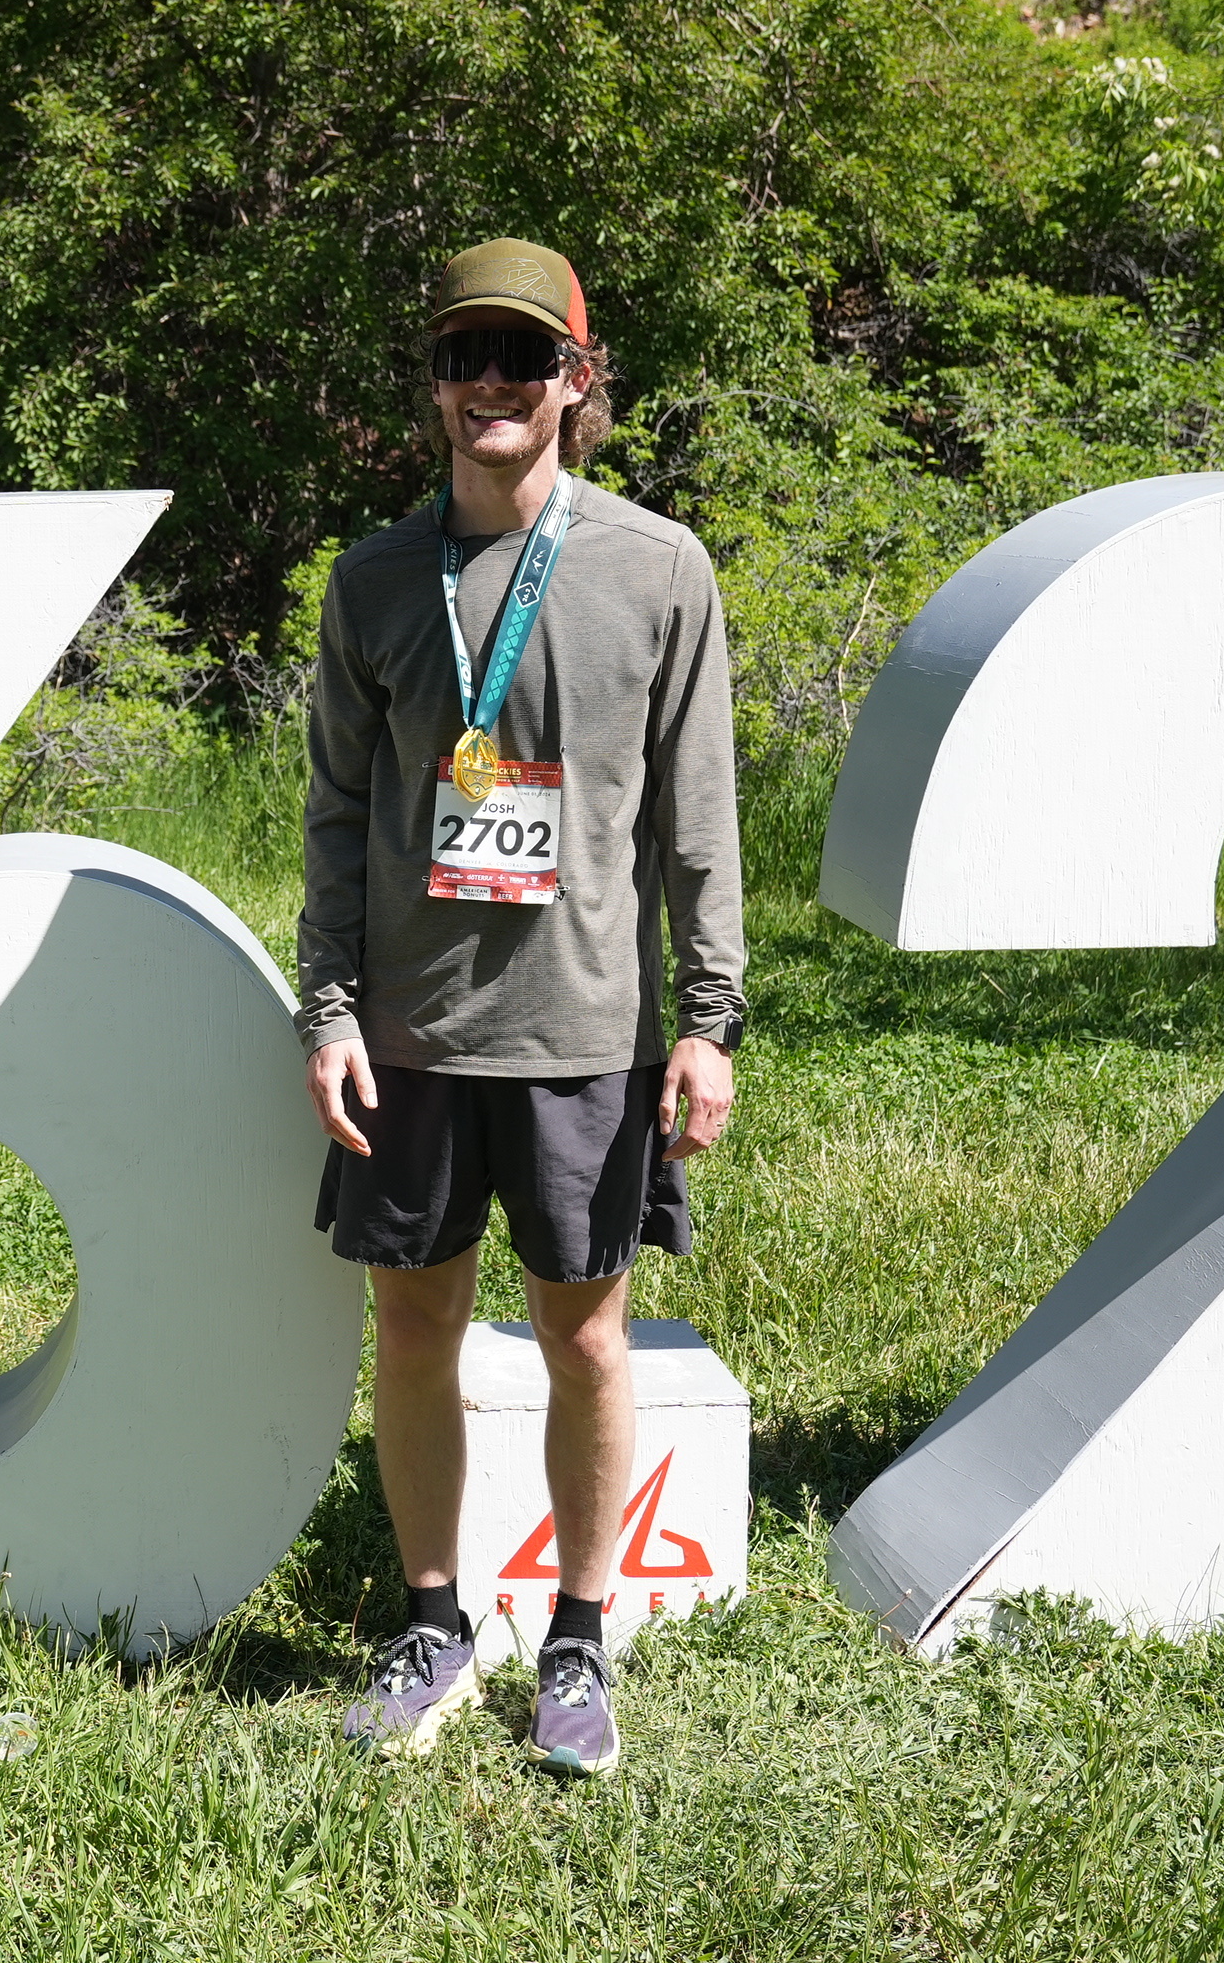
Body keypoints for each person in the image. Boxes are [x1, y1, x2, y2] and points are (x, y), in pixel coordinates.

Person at [298, 238, 744, 1779]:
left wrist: (710, 1020)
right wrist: (330, 1010)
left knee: (586, 1334)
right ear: (434, 385)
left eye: (522, 354)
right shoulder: (374, 580)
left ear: (576, 377)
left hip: (585, 1034)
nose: (490, 380)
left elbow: (698, 822)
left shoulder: (658, 570)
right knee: (414, 1324)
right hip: (411, 1036)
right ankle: (433, 1624)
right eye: (462, 355)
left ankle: (578, 1640)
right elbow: (336, 816)